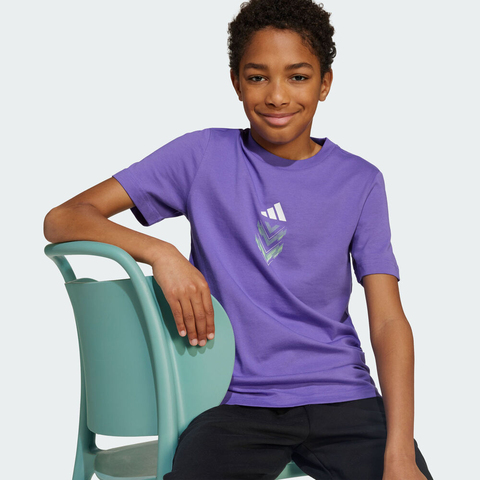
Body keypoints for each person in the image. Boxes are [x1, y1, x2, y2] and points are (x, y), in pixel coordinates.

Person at [44, 0, 435, 479]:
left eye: (297, 77)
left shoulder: (361, 181)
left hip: (342, 395)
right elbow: (64, 218)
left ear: (325, 83)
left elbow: (389, 321)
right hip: (234, 403)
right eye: (257, 77)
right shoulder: (202, 155)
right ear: (236, 82)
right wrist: (161, 253)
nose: (277, 96)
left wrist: (399, 453)